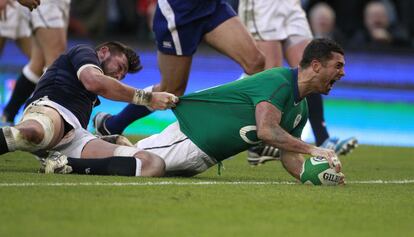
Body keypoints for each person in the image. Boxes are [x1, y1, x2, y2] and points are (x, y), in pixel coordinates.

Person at [45, 39, 346, 185]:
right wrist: (315, 148)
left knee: (138, 161)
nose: (342, 73)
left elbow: (288, 156)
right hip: (190, 138)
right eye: (338, 66)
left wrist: (315, 175)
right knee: (142, 164)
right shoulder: (278, 82)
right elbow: (267, 131)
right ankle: (66, 159)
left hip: (200, 157)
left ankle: (108, 136)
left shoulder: (300, 108)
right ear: (316, 65)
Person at [0, 41, 179, 177]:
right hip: (49, 110)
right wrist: (148, 98)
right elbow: (94, 82)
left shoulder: (89, 99)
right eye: (120, 67)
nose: (118, 76)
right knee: (32, 133)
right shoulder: (83, 52)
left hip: (74, 137)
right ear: (103, 52)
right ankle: (18, 130)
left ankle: (64, 164)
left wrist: (105, 139)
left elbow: (76, 122)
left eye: (122, 76)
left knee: (152, 164)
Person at [92, 0, 265, 136]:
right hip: (179, 12)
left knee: (255, 62)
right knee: (172, 91)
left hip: (211, 6)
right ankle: (112, 125)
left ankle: (236, 123)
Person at [238, 0, 357, 165]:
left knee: (312, 66)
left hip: (291, 5)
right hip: (263, 5)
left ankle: (323, 138)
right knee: (270, 74)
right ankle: (255, 143)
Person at [1, 0, 71, 126]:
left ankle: (9, 114)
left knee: (38, 63)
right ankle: (51, 123)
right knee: (56, 62)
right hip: (45, 3)